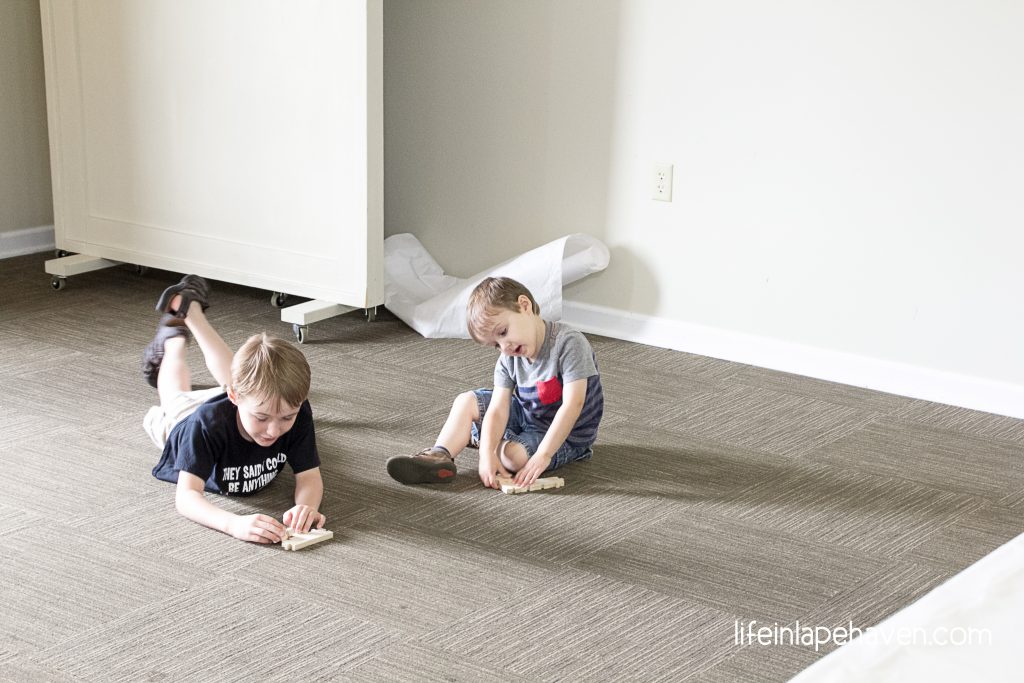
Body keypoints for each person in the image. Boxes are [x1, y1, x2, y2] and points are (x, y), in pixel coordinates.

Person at [141, 274, 325, 543]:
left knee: (241, 378)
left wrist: (306, 507)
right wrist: (233, 524)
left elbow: (309, 477)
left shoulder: (293, 412)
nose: (274, 430)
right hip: (183, 421)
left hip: (238, 403)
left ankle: (190, 308)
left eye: (287, 417)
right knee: (173, 396)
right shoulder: (203, 426)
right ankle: (173, 339)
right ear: (234, 398)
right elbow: (187, 497)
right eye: (262, 418)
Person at [387, 276, 603, 489]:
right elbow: (498, 409)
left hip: (567, 437)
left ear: (524, 306)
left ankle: (474, 436)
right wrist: (486, 455)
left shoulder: (569, 343)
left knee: (513, 459)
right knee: (466, 401)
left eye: (503, 332)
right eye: (495, 345)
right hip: (528, 415)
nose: (504, 347)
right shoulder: (509, 358)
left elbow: (573, 405)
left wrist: (543, 456)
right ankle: (439, 455)